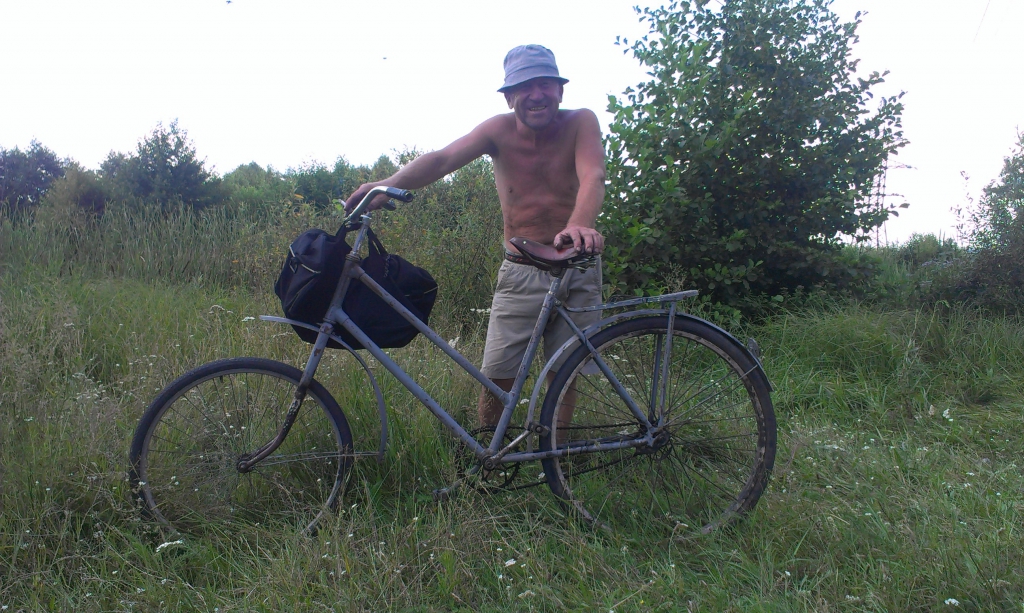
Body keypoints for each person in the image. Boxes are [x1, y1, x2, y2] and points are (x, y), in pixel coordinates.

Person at [343, 44, 606, 428]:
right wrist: (385, 185)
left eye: (545, 84)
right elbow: (442, 159)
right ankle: (488, 449)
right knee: (497, 374)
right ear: (509, 96)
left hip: (577, 264)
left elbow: (593, 175)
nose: (536, 94)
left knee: (565, 373)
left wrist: (579, 223)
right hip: (522, 268)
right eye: (525, 86)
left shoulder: (581, 121)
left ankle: (556, 453)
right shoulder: (497, 130)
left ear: (560, 90)